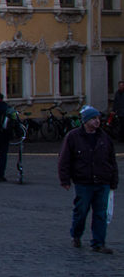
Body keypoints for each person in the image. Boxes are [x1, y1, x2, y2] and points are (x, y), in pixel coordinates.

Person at [58, 106, 119, 253]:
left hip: (102, 181)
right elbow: (64, 159)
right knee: (81, 211)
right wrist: (65, 179)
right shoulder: (73, 137)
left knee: (100, 214)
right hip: (83, 182)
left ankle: (98, 243)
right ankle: (76, 235)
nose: (97, 122)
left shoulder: (104, 137)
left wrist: (113, 180)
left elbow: (111, 160)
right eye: (93, 119)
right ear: (85, 121)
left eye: (98, 118)